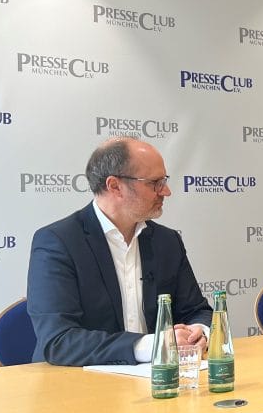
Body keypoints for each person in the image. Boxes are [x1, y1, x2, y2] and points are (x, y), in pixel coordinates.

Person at [27, 138, 212, 366]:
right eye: (155, 183)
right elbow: (59, 340)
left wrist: (198, 333)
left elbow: (197, 310)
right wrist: (152, 346)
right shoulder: (58, 242)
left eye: (164, 181)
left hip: (159, 378)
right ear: (115, 186)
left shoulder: (167, 241)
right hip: (78, 381)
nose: (166, 191)